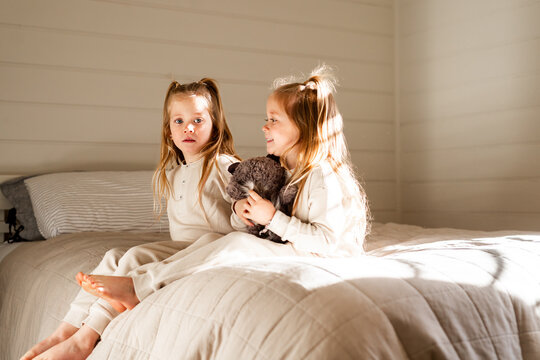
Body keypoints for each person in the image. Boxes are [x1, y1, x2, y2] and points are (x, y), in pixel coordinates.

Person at [72, 64, 371, 318]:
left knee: (233, 246)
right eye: (267, 119)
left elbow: (328, 242)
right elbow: (270, 228)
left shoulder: (322, 175)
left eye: (274, 120)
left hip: (321, 258)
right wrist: (246, 215)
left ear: (304, 128)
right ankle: (99, 309)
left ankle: (137, 287)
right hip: (294, 248)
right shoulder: (286, 171)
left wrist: (272, 219)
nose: (264, 127)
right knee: (220, 243)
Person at [20, 78, 244, 360]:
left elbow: (245, 214)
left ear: (214, 126)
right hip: (183, 247)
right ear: (168, 130)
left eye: (198, 120)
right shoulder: (173, 174)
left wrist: (241, 214)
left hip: (208, 246)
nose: (188, 127)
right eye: (179, 120)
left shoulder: (223, 165)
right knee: (114, 256)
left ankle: (86, 337)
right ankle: (65, 330)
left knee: (137, 256)